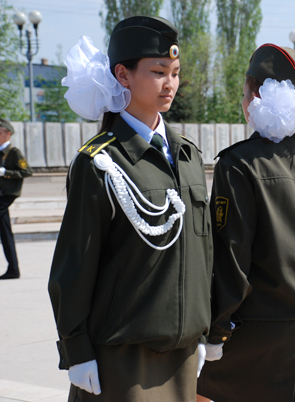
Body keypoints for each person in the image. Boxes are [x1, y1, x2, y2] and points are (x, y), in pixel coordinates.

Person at [48, 16, 212, 401]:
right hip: (123, 359)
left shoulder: (188, 156)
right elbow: (74, 266)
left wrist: (204, 331)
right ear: (123, 75)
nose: (170, 83)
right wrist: (77, 351)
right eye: (158, 72)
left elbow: (204, 253)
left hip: (182, 353)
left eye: (174, 72)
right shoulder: (100, 164)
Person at [196, 43, 295, 402]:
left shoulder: (237, 165)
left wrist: (216, 332)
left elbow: (230, 260)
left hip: (254, 342)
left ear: (256, 96)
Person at [0, 119, 32, 280]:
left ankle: (13, 269)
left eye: (0, 133)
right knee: (5, 233)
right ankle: (13, 269)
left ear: (8, 134)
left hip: (7, 195)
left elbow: (27, 171)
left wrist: (6, 172)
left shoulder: (14, 152)